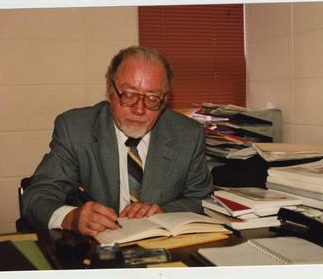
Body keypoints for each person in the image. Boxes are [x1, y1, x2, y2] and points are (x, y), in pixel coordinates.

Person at [22, 46, 213, 236]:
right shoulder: (75, 129)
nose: (139, 110)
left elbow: (202, 199)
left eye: (153, 98)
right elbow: (37, 196)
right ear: (109, 88)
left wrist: (164, 212)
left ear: (164, 100)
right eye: (129, 94)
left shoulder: (188, 134)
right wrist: (71, 218)